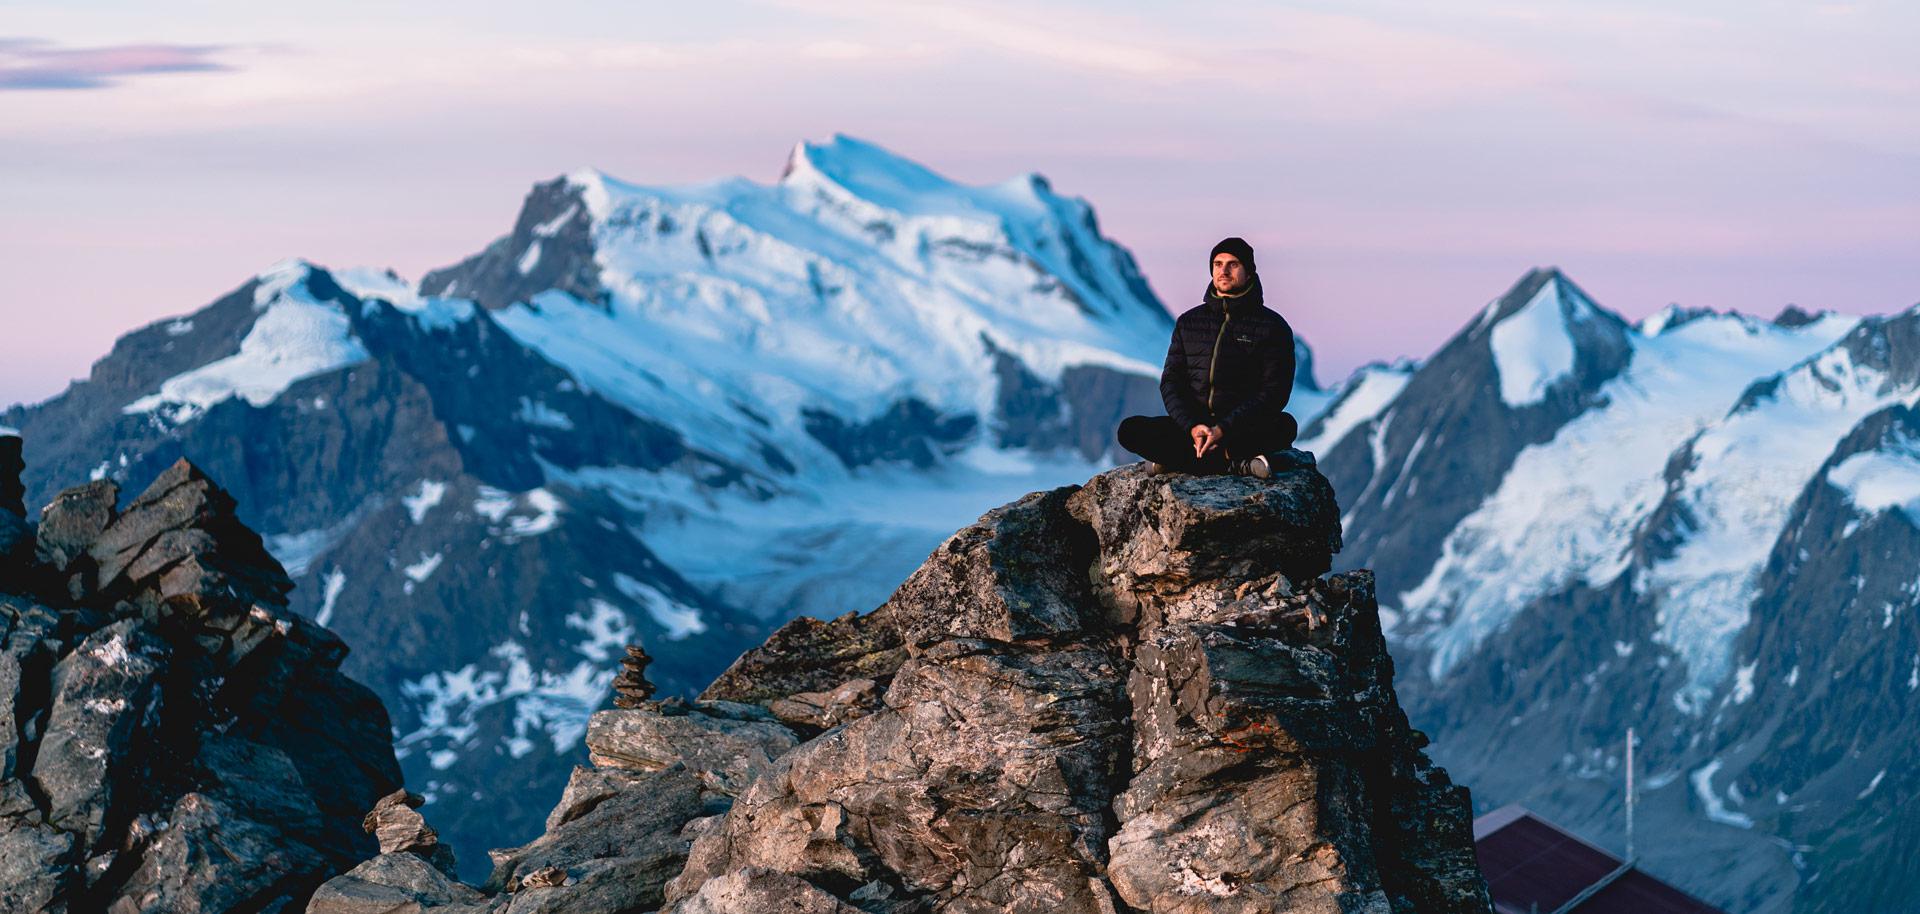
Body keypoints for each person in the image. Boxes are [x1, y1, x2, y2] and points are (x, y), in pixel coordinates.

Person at [1116, 237, 1299, 477]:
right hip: (1194, 428)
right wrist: (1192, 427)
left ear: (1249, 272)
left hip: (1239, 428)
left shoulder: (1272, 326)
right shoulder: (1189, 323)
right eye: (1217, 264)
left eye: (1233, 264)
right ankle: (1235, 464)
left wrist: (1223, 429)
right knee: (1130, 430)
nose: (1223, 270)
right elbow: (1171, 382)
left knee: (1284, 426)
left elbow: (1274, 392)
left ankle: (1178, 461)